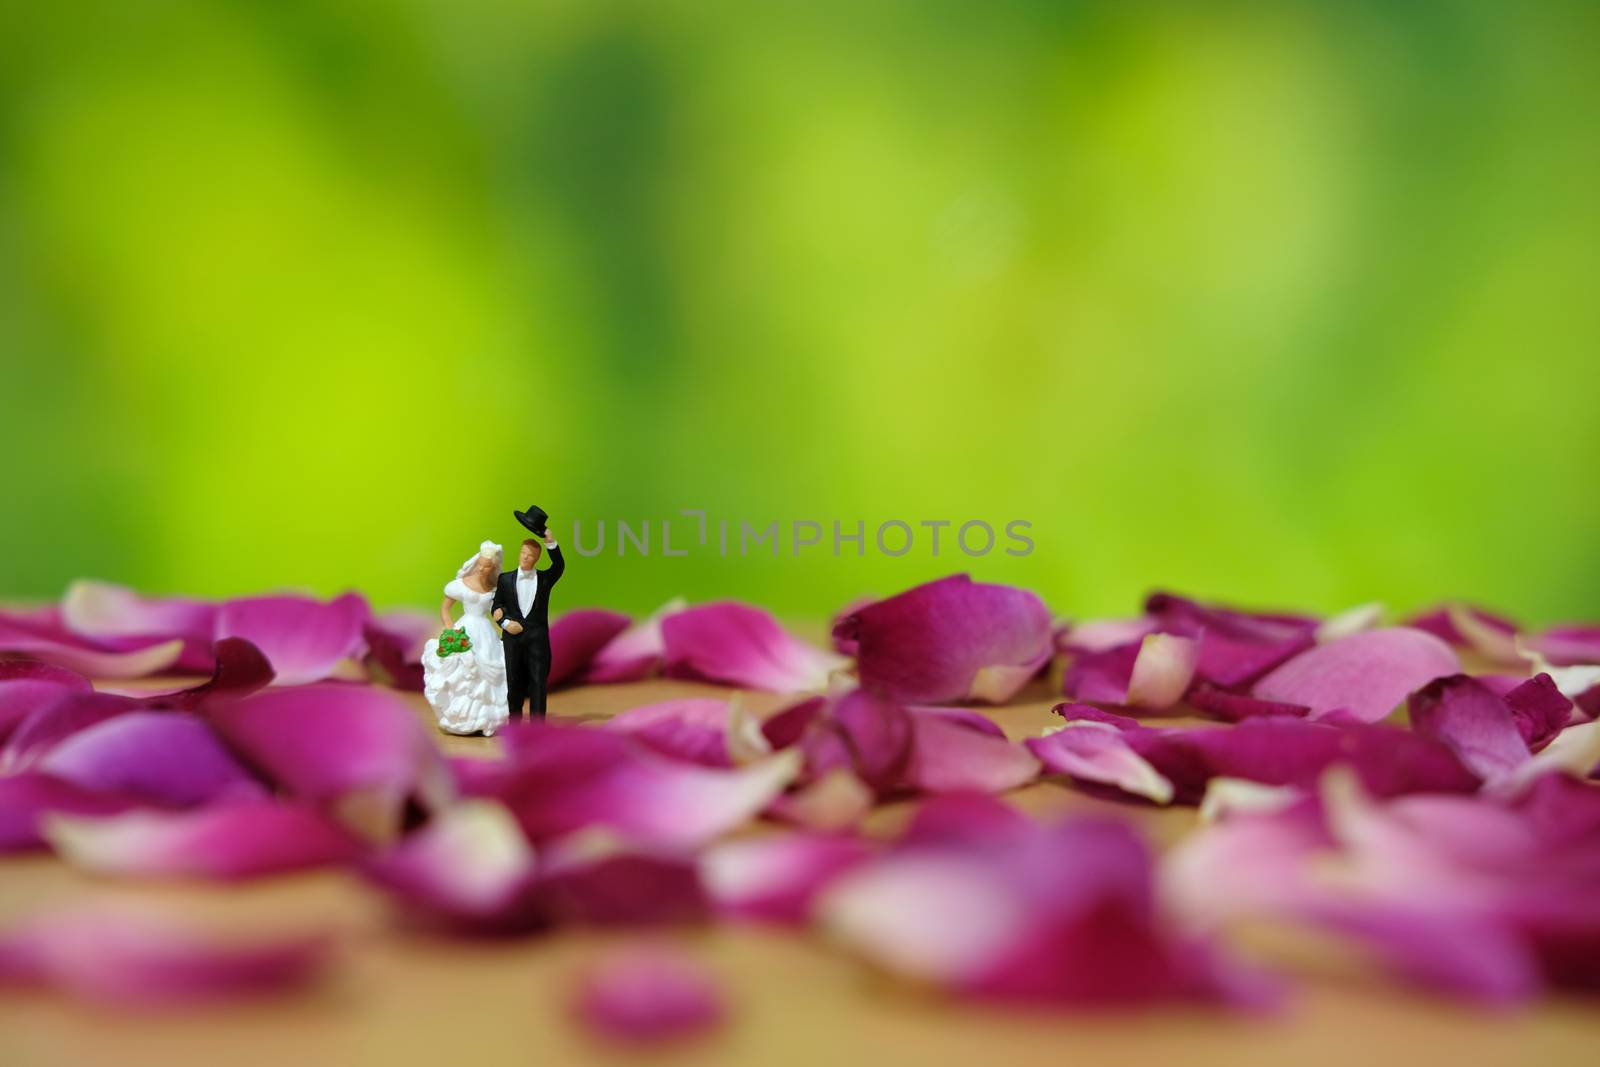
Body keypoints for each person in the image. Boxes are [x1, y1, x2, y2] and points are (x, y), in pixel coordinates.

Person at [421, 541, 510, 736]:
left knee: (487, 670)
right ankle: (457, 715)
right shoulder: (462, 584)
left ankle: (485, 717)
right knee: (462, 671)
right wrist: (449, 629)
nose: (482, 568)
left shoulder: (496, 587)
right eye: (480, 564)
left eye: (487, 566)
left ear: (493, 567)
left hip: (485, 632)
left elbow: (499, 612)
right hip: (465, 628)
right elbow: (445, 609)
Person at [493, 505, 564, 720]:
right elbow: (496, 607)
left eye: (530, 555)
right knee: (513, 681)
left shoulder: (544, 579)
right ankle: (514, 723)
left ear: (537, 558)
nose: (525, 557)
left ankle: (537, 728)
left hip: (537, 640)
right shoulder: (505, 579)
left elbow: (559, 565)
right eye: (523, 553)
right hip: (513, 640)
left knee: (538, 683)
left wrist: (550, 541)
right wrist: (505, 623)